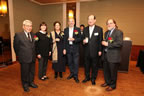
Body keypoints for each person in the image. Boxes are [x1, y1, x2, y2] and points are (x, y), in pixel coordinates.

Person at [13, 20, 38, 92]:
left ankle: (31, 82)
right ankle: (25, 85)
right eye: (27, 26)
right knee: (25, 72)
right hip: (24, 58)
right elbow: (16, 47)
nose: (29, 27)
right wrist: (19, 56)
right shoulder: (18, 35)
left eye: (30, 26)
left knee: (32, 71)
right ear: (23, 26)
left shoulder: (33, 35)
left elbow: (34, 46)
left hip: (32, 57)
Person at [101, 19, 123, 91]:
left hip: (114, 56)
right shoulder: (106, 32)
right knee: (106, 71)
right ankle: (107, 82)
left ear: (114, 24)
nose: (109, 25)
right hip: (106, 55)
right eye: (107, 23)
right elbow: (108, 41)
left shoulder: (119, 32)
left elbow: (119, 44)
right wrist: (104, 42)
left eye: (110, 23)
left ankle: (112, 85)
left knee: (113, 72)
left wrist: (108, 44)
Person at [82, 15, 103, 85]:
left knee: (94, 66)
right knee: (86, 65)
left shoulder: (99, 29)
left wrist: (100, 50)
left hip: (95, 51)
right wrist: (83, 41)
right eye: (88, 19)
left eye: (91, 19)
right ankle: (87, 77)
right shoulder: (85, 29)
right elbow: (82, 39)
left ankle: (93, 78)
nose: (90, 20)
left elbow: (100, 40)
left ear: (95, 20)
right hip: (86, 51)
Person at [63, 18, 81, 83]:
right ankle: (71, 73)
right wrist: (64, 48)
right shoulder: (65, 30)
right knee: (70, 62)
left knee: (76, 63)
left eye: (72, 21)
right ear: (68, 22)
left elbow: (80, 38)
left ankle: (75, 76)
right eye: (69, 21)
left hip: (75, 48)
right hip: (68, 48)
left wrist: (74, 39)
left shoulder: (77, 29)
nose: (71, 22)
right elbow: (64, 40)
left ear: (74, 22)